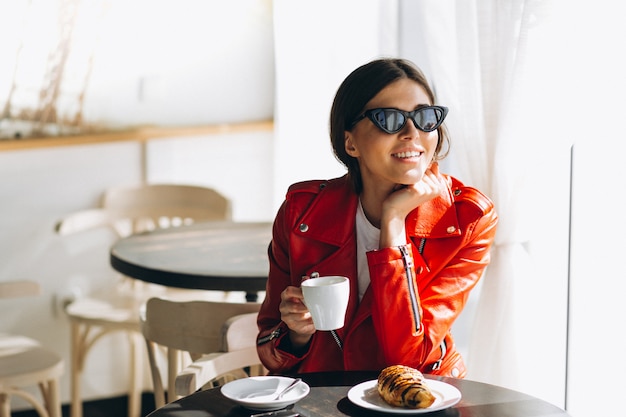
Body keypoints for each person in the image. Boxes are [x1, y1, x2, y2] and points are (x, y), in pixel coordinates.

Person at [256, 58, 498, 378]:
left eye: (425, 118)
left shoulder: (468, 220)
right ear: (350, 142)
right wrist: (297, 334)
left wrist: (394, 221)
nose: (412, 133)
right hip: (322, 398)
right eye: (389, 119)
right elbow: (269, 352)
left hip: (420, 398)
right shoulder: (300, 213)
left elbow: (407, 361)